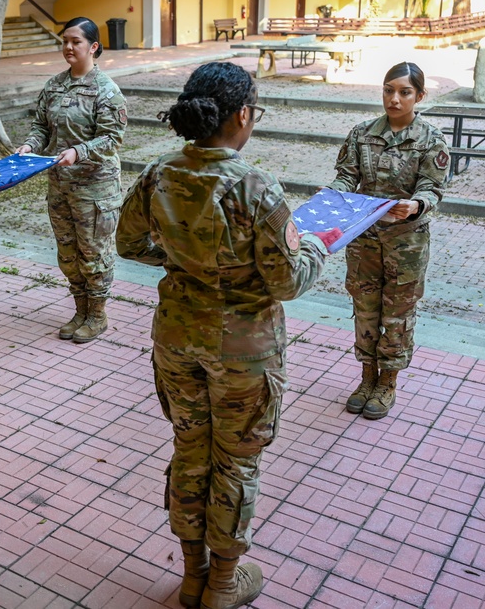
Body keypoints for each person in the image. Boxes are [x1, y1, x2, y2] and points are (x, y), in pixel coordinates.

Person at [116, 62, 338, 609]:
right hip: (243, 349)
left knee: (189, 448)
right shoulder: (256, 187)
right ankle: (222, 583)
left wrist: (181, 260)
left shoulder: (158, 173)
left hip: (177, 338)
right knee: (236, 461)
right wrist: (318, 247)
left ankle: (192, 573)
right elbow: (286, 282)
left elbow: (127, 244)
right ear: (241, 115)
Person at [329, 61, 449, 421]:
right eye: (388, 90)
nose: (394, 99)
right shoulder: (361, 133)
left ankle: (388, 383)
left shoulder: (431, 139)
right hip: (364, 240)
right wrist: (332, 196)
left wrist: (416, 204)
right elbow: (346, 177)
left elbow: (433, 187)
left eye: (404, 92)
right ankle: (367, 378)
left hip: (406, 243)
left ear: (420, 95)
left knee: (397, 314)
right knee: (365, 309)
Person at [16, 16, 127, 343]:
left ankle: (97, 316)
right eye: (64, 40)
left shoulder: (106, 90)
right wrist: (30, 145)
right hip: (61, 186)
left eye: (75, 41)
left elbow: (112, 138)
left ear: (93, 47)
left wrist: (79, 152)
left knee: (94, 255)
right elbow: (41, 127)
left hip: (95, 190)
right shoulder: (54, 85)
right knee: (68, 255)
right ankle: (80, 310)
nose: (67, 47)